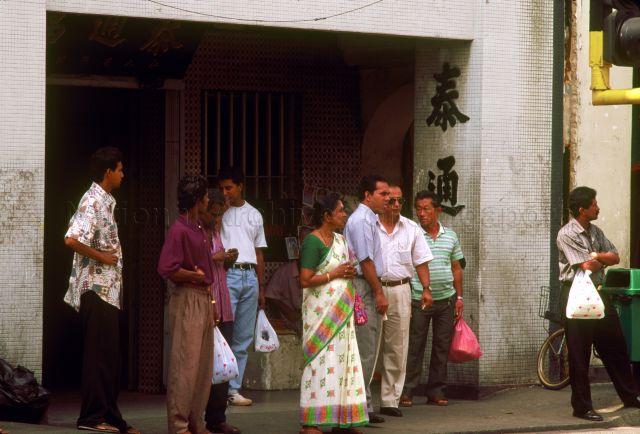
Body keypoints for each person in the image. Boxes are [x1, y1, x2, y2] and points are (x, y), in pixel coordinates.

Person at [63, 147, 139, 434]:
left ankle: (110, 414)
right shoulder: (92, 201)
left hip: (108, 290)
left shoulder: (107, 201)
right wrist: (103, 257)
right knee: (98, 357)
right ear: (109, 172)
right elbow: (71, 239)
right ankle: (91, 417)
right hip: (95, 289)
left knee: (109, 356)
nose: (123, 174)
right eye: (120, 169)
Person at [557, 186, 640, 421]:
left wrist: (596, 257)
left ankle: (630, 395)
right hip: (576, 293)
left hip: (599, 292)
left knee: (615, 345)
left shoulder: (596, 231)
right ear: (582, 209)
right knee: (579, 353)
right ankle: (582, 407)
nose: (598, 207)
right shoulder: (567, 234)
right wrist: (598, 259)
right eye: (594, 204)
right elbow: (585, 266)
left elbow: (615, 255)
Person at [298, 193, 368, 434]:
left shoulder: (340, 240)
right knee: (319, 363)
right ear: (327, 216)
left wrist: (347, 272)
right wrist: (335, 274)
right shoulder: (312, 242)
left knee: (344, 362)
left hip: (342, 313)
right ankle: (311, 422)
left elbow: (345, 267)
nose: (344, 214)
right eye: (340, 211)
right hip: (321, 317)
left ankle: (344, 419)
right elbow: (305, 280)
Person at [157, 175, 218, 434]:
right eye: (204, 196)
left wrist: (211, 301)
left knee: (203, 367)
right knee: (185, 365)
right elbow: (166, 268)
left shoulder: (199, 228)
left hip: (203, 298)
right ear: (195, 200)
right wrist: (193, 275)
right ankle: (179, 425)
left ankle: (196, 421)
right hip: (188, 297)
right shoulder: (179, 230)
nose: (207, 200)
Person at [400, 190, 464, 408]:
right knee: (415, 345)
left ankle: (436, 390)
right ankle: (407, 390)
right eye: (418, 209)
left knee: (441, 347)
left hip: (446, 300)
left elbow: (456, 268)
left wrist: (459, 297)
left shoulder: (451, 236)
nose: (422, 213)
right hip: (420, 299)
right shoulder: (413, 235)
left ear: (437, 210)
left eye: (426, 209)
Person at [375, 185, 433, 417]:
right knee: (370, 345)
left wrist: (426, 289)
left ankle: (390, 400)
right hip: (374, 287)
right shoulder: (371, 226)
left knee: (398, 346)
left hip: (400, 289)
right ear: (382, 201)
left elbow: (421, 261)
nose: (396, 205)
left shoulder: (411, 228)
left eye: (400, 201)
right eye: (391, 201)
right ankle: (364, 401)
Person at [218, 167, 268, 406]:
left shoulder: (254, 214)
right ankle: (218, 388)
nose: (225, 192)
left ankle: (233, 389)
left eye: (229, 187)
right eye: (222, 188)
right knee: (225, 332)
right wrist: (221, 211)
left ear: (240, 186)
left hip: (249, 276)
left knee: (243, 337)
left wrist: (261, 284)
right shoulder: (219, 213)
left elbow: (259, 252)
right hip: (228, 274)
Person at [343, 175, 390, 424]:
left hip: (368, 284)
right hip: (364, 286)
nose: (387, 198)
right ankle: (361, 407)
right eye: (382, 194)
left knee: (369, 347)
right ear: (367, 195)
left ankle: (364, 406)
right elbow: (366, 260)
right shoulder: (361, 220)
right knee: (365, 347)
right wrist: (379, 292)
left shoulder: (369, 219)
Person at [201, 189, 241, 434]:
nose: (217, 219)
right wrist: (215, 257)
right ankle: (200, 415)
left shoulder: (215, 233)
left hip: (223, 302)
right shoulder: (195, 234)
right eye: (213, 214)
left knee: (224, 362)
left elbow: (218, 262)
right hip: (206, 303)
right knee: (204, 364)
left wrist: (227, 258)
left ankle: (217, 417)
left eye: (219, 215)